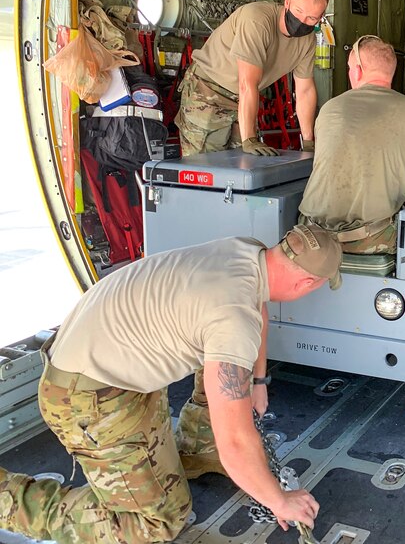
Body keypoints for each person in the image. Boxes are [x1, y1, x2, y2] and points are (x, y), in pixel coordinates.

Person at [0, 225, 343, 543]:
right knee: (156, 523)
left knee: (230, 364)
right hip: (87, 399)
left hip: (110, 364)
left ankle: (199, 447)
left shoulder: (250, 253)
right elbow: (236, 441)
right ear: (306, 283)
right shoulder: (234, 319)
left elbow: (258, 310)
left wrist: (257, 381)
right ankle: (9, 500)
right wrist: (280, 500)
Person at [298, 35, 405, 254]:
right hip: (368, 238)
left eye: (349, 68)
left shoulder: (329, 108)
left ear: (357, 71)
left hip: (310, 234)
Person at [174, 0, 329, 157]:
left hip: (243, 100)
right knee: (204, 165)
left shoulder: (307, 40)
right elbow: (247, 83)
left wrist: (308, 143)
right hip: (208, 92)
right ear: (287, 2)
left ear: (320, 18)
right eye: (299, 11)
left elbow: (305, 90)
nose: (302, 21)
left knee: (243, 164)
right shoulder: (257, 19)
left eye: (311, 18)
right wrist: (249, 139)